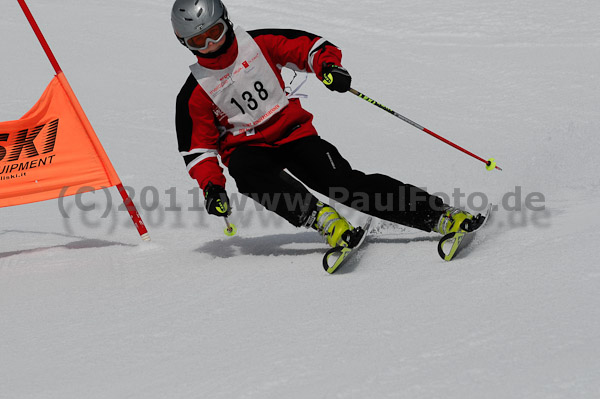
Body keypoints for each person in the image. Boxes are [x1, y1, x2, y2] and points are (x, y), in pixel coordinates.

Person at [172, 0, 473, 249]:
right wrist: (212, 187)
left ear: (226, 21)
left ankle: (438, 215)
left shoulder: (259, 43)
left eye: (216, 32)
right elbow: (198, 149)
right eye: (198, 40)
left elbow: (309, 47)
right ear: (185, 43)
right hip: (247, 148)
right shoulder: (195, 92)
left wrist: (328, 67)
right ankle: (322, 219)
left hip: (293, 133)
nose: (211, 44)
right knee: (246, 172)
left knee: (344, 185)